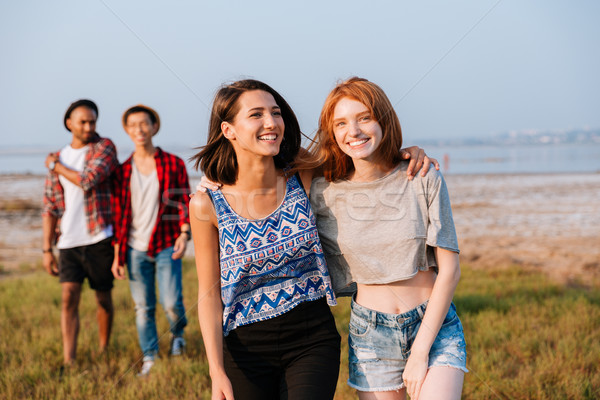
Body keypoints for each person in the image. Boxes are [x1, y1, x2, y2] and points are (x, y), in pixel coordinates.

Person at [191, 79, 434, 400]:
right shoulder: (207, 204)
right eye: (256, 115)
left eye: (275, 112)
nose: (271, 122)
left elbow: (358, 160)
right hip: (244, 350)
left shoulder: (302, 175)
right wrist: (216, 371)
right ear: (228, 130)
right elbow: (209, 294)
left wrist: (405, 153)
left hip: (311, 339)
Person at [310, 77, 467, 400]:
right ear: (332, 133)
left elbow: (450, 270)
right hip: (370, 335)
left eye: (364, 117)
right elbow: (261, 169)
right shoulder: (322, 191)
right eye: (341, 123)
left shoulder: (421, 175)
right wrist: (213, 179)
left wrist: (421, 350)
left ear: (383, 120)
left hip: (434, 325)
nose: (353, 131)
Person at [111, 104, 191, 377]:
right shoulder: (122, 171)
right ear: (126, 130)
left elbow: (183, 201)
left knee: (171, 302)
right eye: (132, 125)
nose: (139, 130)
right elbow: (119, 216)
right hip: (134, 248)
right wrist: (117, 255)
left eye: (144, 124)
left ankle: (178, 334)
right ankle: (150, 355)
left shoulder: (173, 163)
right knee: (143, 307)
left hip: (167, 243)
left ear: (154, 127)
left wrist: (184, 233)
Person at [42, 99, 119, 369]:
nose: (89, 126)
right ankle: (69, 359)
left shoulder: (104, 147)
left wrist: (55, 167)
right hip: (68, 242)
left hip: (99, 237)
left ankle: (104, 348)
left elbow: (88, 180)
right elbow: (50, 206)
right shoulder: (59, 155)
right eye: (83, 121)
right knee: (68, 299)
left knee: (103, 298)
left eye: (92, 121)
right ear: (69, 124)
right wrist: (46, 249)